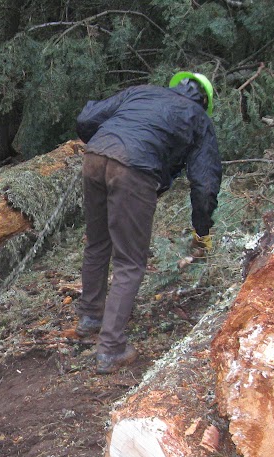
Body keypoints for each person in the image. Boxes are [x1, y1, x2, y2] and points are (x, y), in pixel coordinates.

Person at [74, 71, 222, 374]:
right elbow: (205, 184)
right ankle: (112, 348)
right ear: (205, 101)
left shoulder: (142, 92)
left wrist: (105, 145)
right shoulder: (198, 118)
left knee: (98, 243)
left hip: (95, 157)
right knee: (130, 262)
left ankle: (90, 317)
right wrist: (202, 229)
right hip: (134, 169)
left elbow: (88, 117)